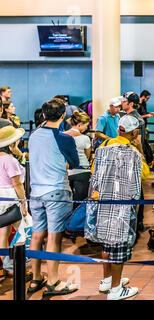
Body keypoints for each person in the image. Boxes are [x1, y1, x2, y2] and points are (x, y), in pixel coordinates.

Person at [90, 115, 150, 300]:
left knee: (107, 243)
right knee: (119, 248)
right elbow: (143, 177)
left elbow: (94, 173)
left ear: (119, 129)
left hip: (103, 201)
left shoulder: (104, 146)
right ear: (134, 132)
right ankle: (116, 290)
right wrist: (140, 150)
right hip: (122, 204)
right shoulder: (132, 152)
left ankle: (107, 280)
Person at [28, 98, 79, 297]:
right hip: (56, 191)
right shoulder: (64, 138)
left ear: (43, 115)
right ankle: (53, 282)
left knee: (37, 235)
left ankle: (35, 278)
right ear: (63, 115)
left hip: (36, 192)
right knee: (54, 237)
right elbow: (74, 162)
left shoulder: (33, 135)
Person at [0, 125, 28, 281]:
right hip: (10, 198)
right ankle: (17, 267)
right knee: (23, 232)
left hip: (0, 198)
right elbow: (17, 184)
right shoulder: (9, 160)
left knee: (3, 234)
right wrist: (24, 203)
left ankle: (4, 268)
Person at [121, 91, 152, 232]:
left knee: (136, 189)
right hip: (129, 157)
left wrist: (140, 156)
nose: (122, 103)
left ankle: (138, 221)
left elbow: (138, 142)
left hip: (132, 157)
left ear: (131, 103)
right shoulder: (129, 117)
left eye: (124, 101)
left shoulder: (136, 119)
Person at [64, 111, 92, 206]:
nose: (87, 128)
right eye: (86, 125)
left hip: (66, 170)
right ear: (80, 125)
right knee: (81, 201)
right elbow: (87, 155)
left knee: (66, 201)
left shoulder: (62, 136)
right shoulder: (85, 138)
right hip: (82, 171)